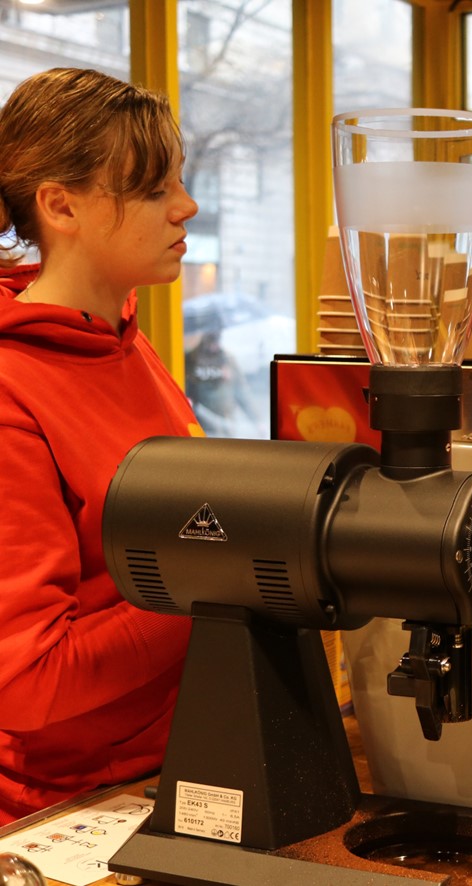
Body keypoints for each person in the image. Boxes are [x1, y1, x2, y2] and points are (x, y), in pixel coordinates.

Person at [0, 67, 200, 825]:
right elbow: (29, 679)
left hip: (174, 763)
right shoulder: (12, 389)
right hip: (70, 806)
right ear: (61, 205)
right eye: (154, 190)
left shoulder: (124, 341)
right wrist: (234, 582)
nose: (186, 207)